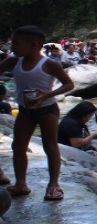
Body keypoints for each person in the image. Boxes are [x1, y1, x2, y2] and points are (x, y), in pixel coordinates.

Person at [1, 25, 76, 201]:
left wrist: (47, 95)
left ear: (33, 45)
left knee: (50, 146)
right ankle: (21, 183)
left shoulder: (49, 64)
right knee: (18, 146)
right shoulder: (13, 61)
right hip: (25, 110)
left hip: (47, 109)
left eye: (16, 43)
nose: (12, 47)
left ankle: (54, 185)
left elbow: (69, 84)